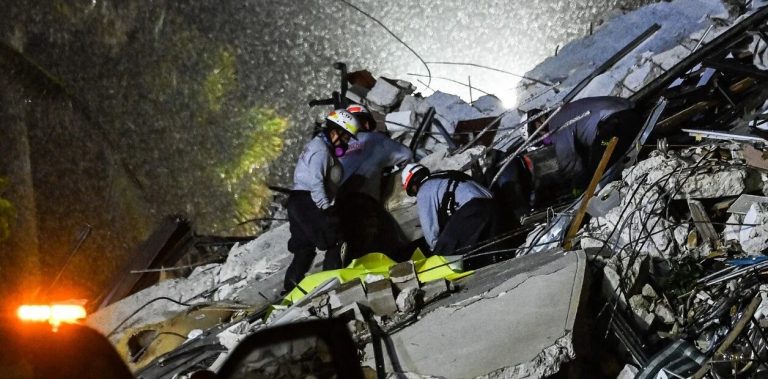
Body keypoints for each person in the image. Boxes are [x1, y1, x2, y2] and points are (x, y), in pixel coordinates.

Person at [283, 109, 360, 293]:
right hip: (308, 201)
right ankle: (330, 285)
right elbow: (316, 182)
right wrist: (326, 208)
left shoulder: (318, 145)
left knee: (304, 249)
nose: (347, 142)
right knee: (335, 240)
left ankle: (290, 291)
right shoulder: (321, 150)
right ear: (336, 131)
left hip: (297, 201)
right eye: (346, 137)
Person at [336, 104, 413, 261]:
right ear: (365, 123)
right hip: (362, 203)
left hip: (335, 205)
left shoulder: (335, 148)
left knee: (345, 249)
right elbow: (406, 155)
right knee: (388, 244)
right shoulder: (374, 139)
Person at [401, 163, 510, 269]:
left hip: (473, 209)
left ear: (413, 185)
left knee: (444, 253)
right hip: (493, 204)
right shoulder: (447, 175)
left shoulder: (424, 190)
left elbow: (430, 233)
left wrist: (437, 252)